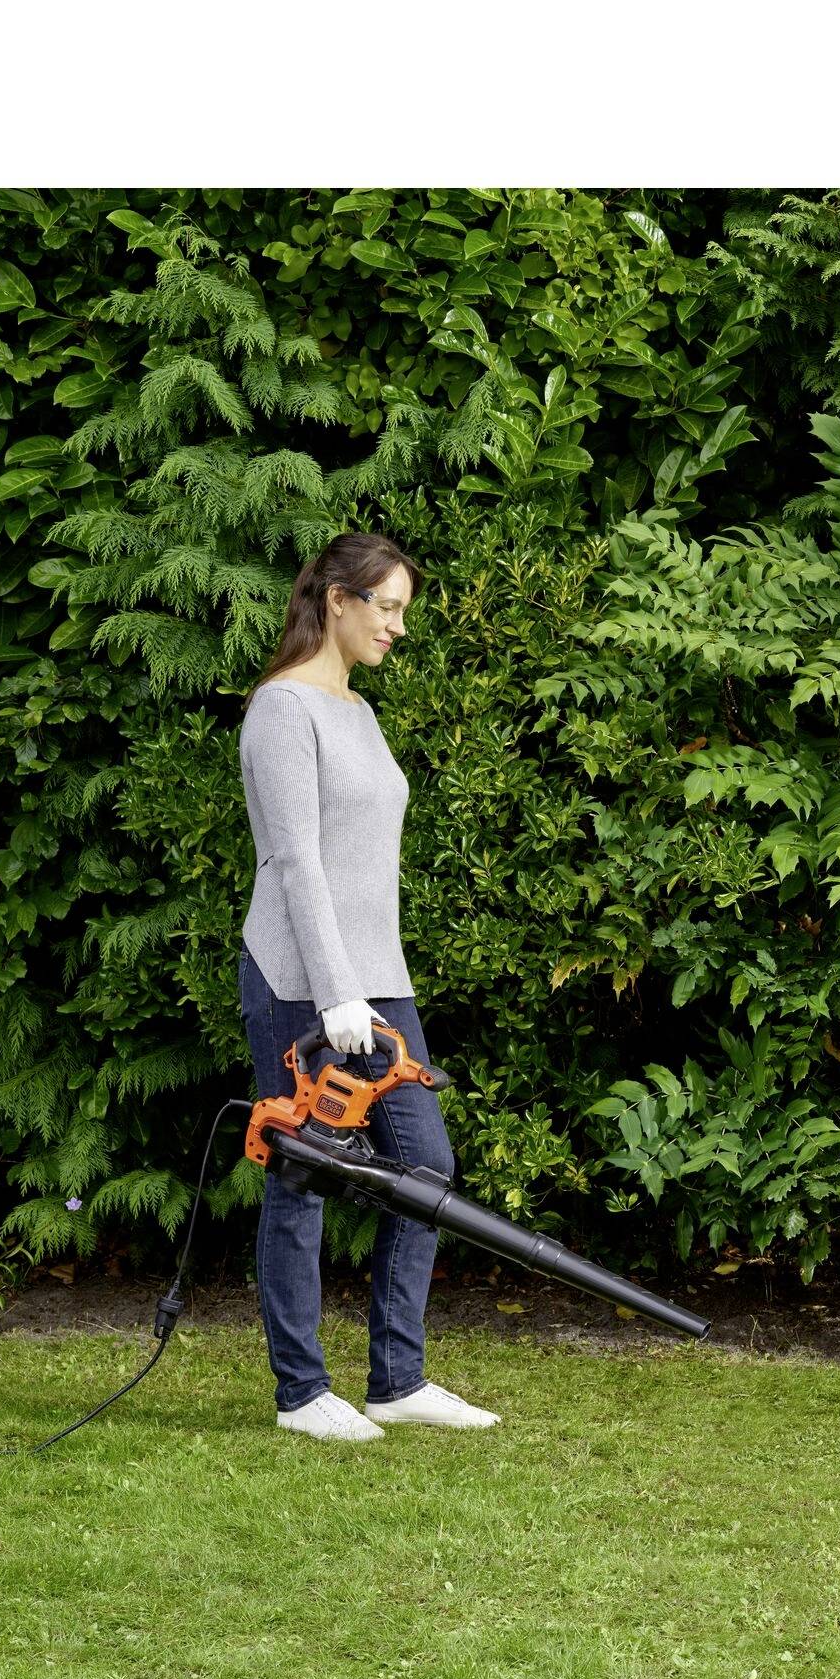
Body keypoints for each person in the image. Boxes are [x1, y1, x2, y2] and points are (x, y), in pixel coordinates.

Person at [236, 532, 498, 1440]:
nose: (396, 626)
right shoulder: (281, 710)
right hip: (301, 982)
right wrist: (334, 993)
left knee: (426, 1168)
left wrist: (370, 987)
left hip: (377, 982)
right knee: (302, 1178)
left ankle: (398, 1378)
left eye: (403, 612)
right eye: (385, 606)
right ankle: (302, 1394)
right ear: (336, 600)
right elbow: (297, 860)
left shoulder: (358, 711)